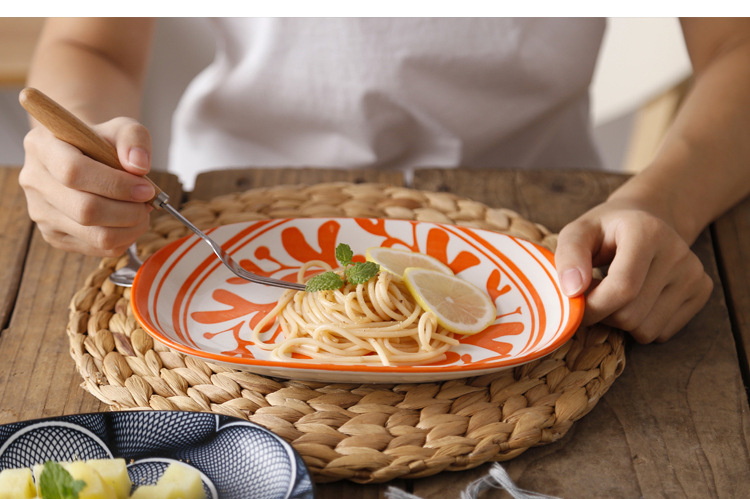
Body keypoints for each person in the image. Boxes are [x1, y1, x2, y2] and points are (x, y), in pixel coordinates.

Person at [18, 17, 750, 344]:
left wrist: (661, 200)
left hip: (547, 211)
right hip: (232, 199)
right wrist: (81, 150)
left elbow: (736, 44)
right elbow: (90, 43)